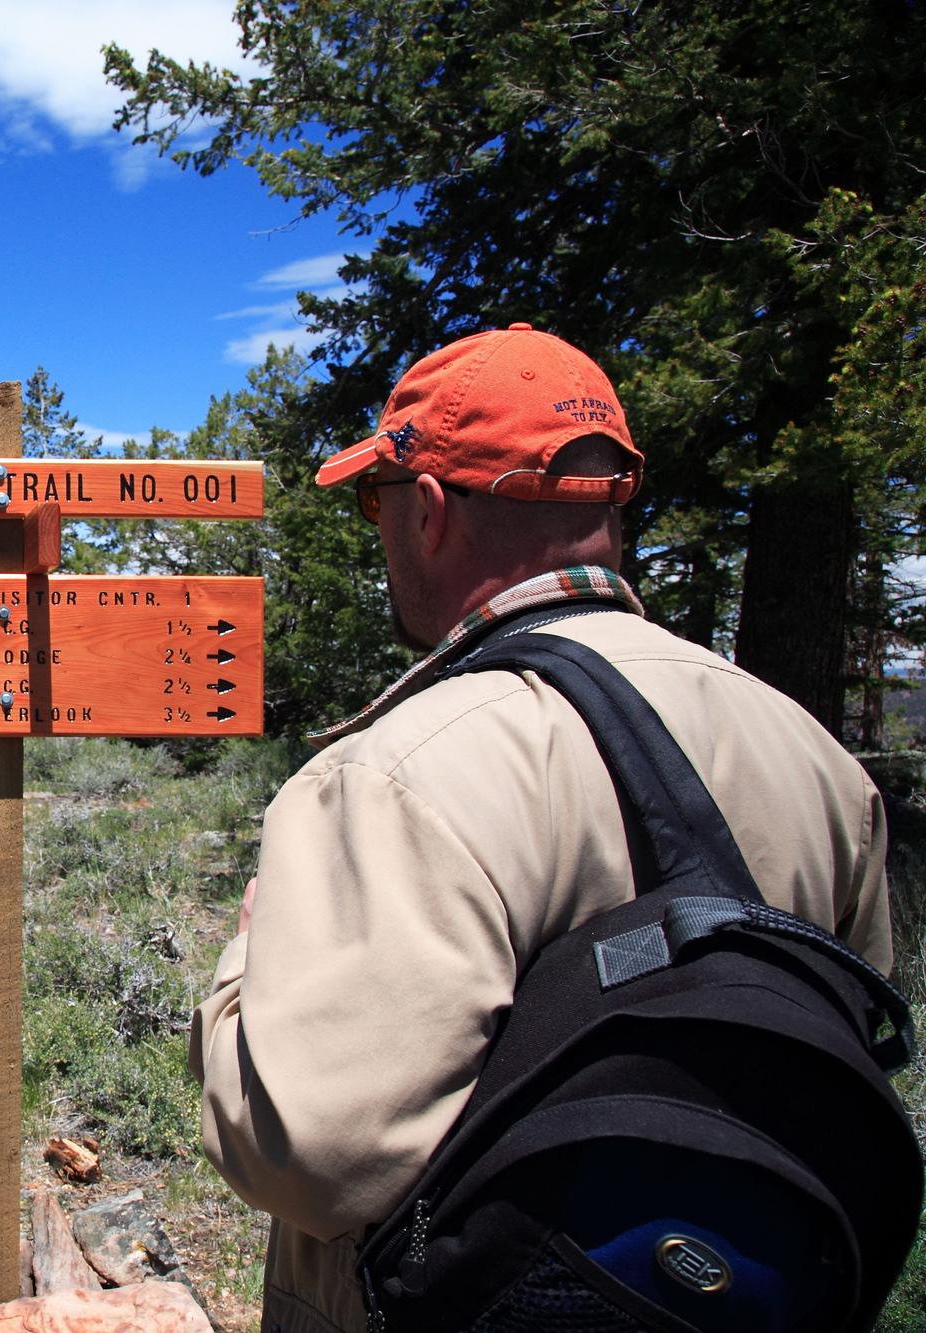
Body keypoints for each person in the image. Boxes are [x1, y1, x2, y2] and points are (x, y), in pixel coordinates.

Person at [190, 323, 892, 1333]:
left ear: (428, 510)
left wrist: (244, 967)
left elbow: (303, 1156)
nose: (377, 527)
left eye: (374, 497)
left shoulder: (391, 777)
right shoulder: (816, 760)